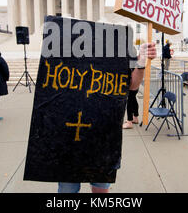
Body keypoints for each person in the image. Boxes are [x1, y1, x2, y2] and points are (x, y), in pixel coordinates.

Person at [58, 42, 157, 193]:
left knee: (100, 191)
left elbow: (132, 85)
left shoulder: (120, 46)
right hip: (70, 138)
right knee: (67, 190)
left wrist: (141, 63)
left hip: (103, 137)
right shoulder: (68, 45)